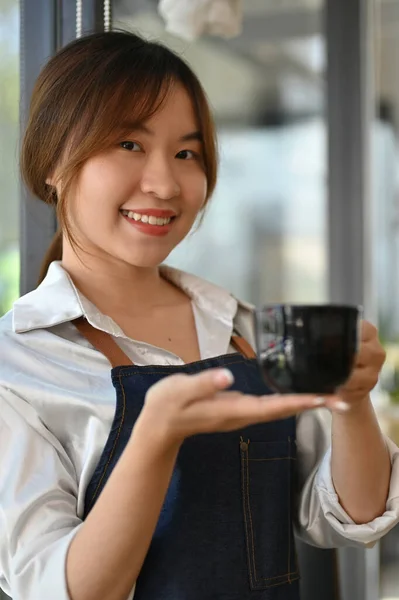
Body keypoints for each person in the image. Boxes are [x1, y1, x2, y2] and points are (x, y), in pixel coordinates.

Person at [0, 30, 398, 600]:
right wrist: (154, 437)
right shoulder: (16, 365)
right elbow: (64, 590)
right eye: (129, 145)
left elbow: (349, 518)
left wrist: (352, 401)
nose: (164, 183)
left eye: (187, 153)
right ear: (54, 162)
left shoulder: (243, 328)